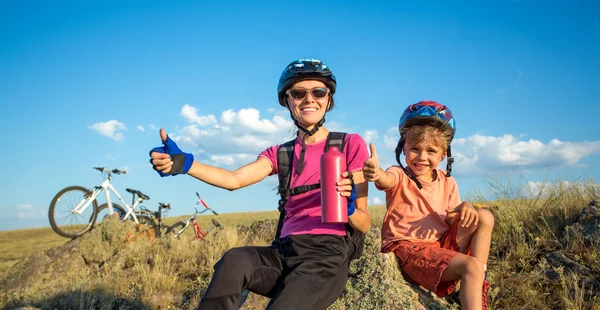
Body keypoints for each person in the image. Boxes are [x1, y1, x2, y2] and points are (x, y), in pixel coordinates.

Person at [149, 58, 371, 310]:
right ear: (287, 101)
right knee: (235, 260)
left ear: (328, 99)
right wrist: (185, 164)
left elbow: (364, 222)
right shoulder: (280, 153)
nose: (309, 99)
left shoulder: (349, 145)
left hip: (325, 256)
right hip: (284, 251)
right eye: (298, 93)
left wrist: (349, 208)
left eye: (318, 92)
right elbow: (234, 180)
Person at [362, 101, 494, 310]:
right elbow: (385, 180)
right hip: (407, 248)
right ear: (403, 148)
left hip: (438, 246)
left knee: (484, 216)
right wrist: (376, 173)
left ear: (443, 155)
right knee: (471, 266)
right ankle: (474, 277)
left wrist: (465, 208)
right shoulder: (399, 174)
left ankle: (479, 287)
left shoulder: (447, 181)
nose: (422, 157)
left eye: (431, 151)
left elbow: (450, 219)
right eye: (415, 149)